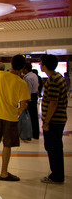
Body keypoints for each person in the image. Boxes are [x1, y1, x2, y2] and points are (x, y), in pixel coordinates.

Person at [0, 54, 30, 182]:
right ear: (22, 68)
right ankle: (4, 173)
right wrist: (18, 111)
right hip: (11, 118)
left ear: (11, 65)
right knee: (7, 145)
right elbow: (23, 105)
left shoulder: (1, 75)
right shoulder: (22, 83)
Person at [40, 54, 68, 184]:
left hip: (54, 121)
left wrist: (46, 122)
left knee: (52, 148)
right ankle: (58, 172)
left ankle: (56, 175)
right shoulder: (58, 77)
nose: (40, 65)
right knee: (56, 147)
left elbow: (53, 103)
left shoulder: (53, 80)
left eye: (41, 63)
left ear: (45, 65)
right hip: (58, 119)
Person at [22, 62, 40, 140]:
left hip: (30, 97)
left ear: (26, 69)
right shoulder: (34, 75)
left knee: (30, 116)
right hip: (34, 96)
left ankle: (30, 133)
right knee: (34, 116)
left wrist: (25, 102)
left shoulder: (28, 78)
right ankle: (35, 133)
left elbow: (27, 91)